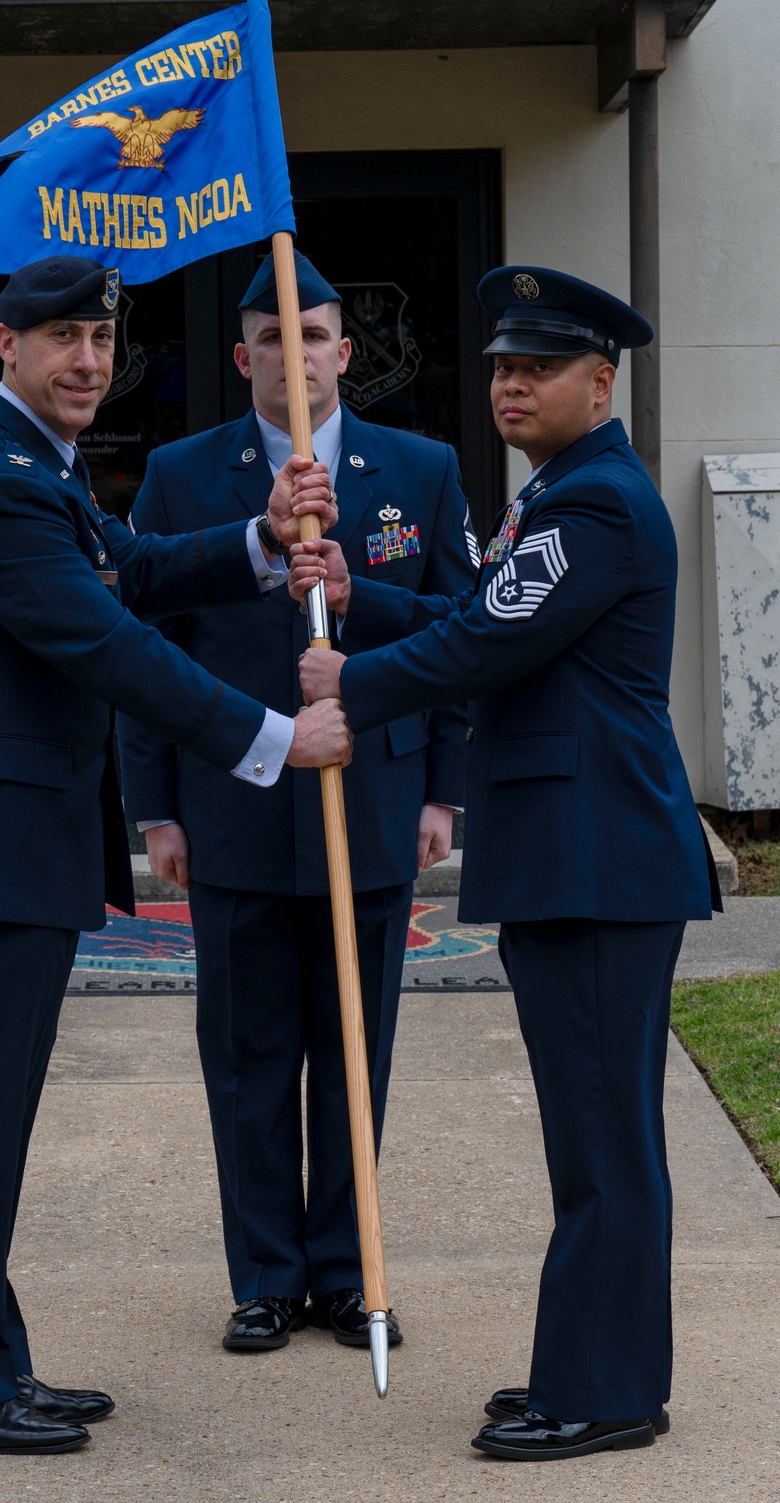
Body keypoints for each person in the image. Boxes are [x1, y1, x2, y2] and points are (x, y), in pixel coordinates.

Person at [0, 255, 351, 1455]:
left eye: (100, 339)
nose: (88, 362)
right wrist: (269, 738)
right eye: (62, 342)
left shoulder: (39, 467)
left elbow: (133, 571)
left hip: (9, 847)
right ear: (6, 346)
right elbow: (111, 645)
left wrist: (254, 534)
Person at [294, 265, 721, 1460]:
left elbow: (483, 642)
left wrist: (351, 683)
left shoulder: (593, 506)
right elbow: (482, 608)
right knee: (592, 1136)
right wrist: (357, 596)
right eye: (498, 366)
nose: (510, 384)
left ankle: (604, 1394)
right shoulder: (563, 496)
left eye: (537, 367)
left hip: (598, 860)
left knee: (601, 1142)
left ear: (602, 379)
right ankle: (587, 1368)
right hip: (577, 857)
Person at [117, 249, 475, 1353]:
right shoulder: (182, 476)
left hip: (372, 799)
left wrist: (444, 793)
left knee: (353, 1055)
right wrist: (156, 809)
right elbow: (141, 645)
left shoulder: (417, 468)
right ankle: (266, 1277)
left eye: (311, 334)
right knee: (250, 1054)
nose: (293, 354)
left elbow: (464, 636)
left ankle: (346, 1272)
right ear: (242, 358)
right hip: (228, 811)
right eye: (271, 337)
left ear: (344, 352)